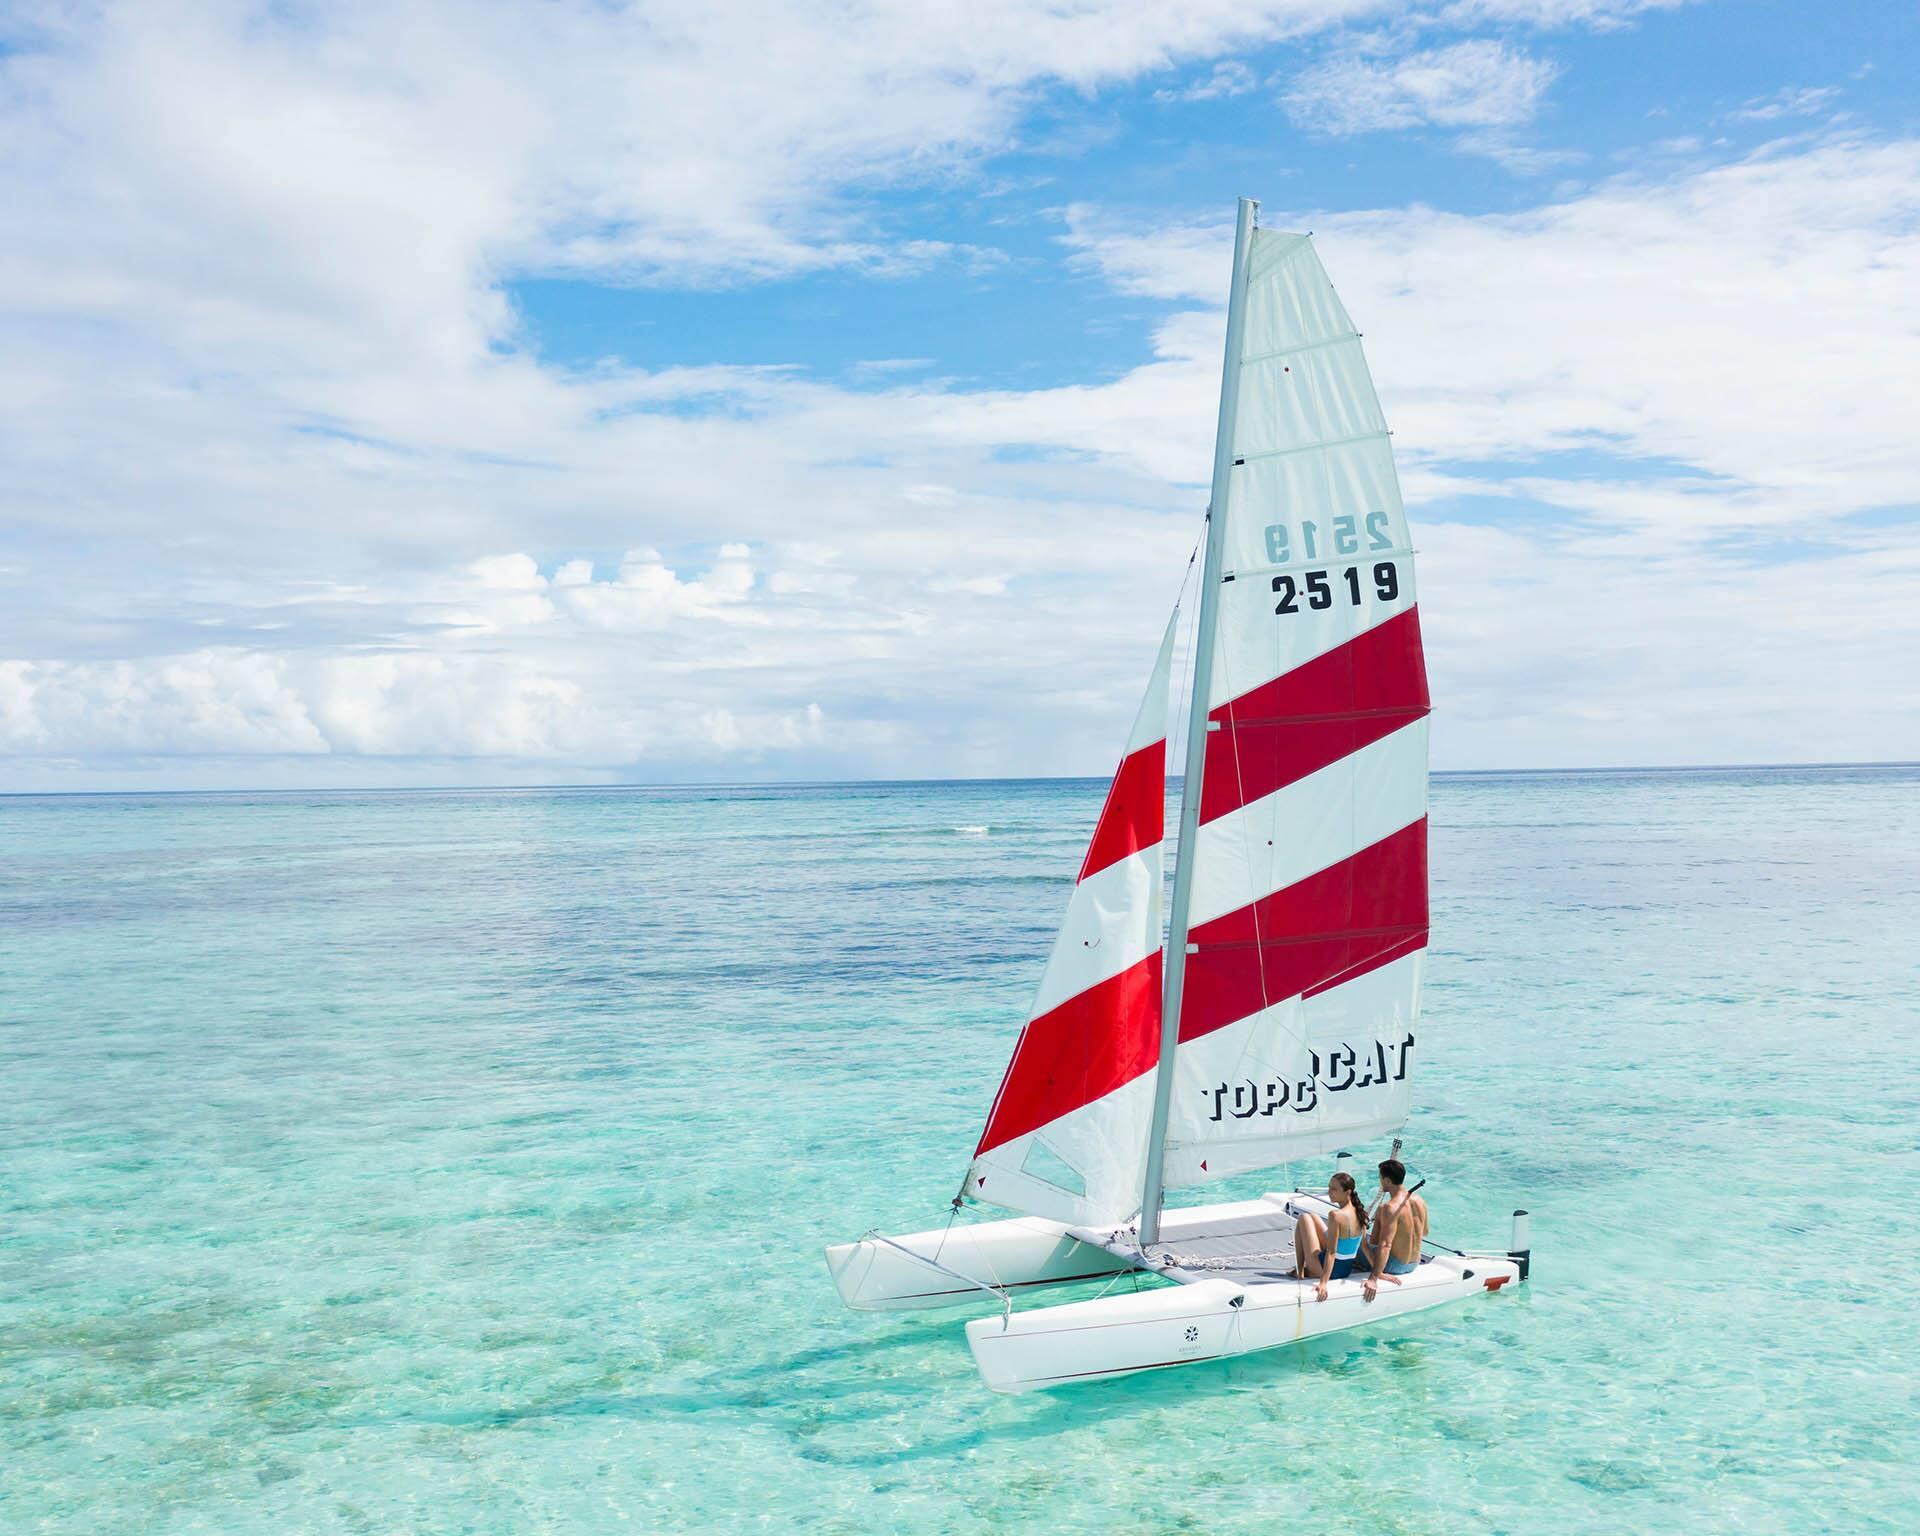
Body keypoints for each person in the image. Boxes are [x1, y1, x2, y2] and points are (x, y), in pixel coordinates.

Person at [1357, 1157, 1427, 1303]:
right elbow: (1424, 1231)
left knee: (1350, 1245)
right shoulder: (1419, 1200)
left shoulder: (1389, 1207)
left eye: (1381, 1178)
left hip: (1395, 1266)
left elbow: (1385, 1245)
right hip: (1414, 1263)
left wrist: (1374, 1278)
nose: (1380, 1182)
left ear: (1388, 1181)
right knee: (1380, 1215)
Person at [1292, 1171, 1370, 1301]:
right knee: (1314, 1216)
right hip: (1345, 1269)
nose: (1329, 1192)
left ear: (1348, 1192)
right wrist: (1378, 1274)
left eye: (1334, 1189)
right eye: (1329, 1187)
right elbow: (1364, 1246)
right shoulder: (1360, 1212)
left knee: (1304, 1218)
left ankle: (1300, 1272)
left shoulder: (1336, 1215)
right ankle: (1301, 1271)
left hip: (1325, 1271)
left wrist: (1323, 1283)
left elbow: (1332, 1252)